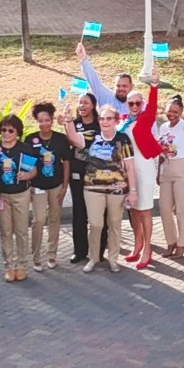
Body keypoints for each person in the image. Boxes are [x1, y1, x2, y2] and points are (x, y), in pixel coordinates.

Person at [69, 103, 138, 272]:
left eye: (109, 118)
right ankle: (93, 258)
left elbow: (130, 166)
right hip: (93, 189)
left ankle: (113, 259)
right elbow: (73, 138)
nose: (104, 122)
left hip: (117, 189)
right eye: (101, 118)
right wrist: (68, 120)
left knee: (114, 224)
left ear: (116, 121)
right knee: (95, 224)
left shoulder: (123, 139)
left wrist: (133, 191)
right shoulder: (92, 136)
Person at [119, 83, 163, 269]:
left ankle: (147, 249)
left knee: (144, 209)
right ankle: (137, 245)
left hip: (143, 168)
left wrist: (154, 86)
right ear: (127, 105)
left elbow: (152, 107)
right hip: (128, 170)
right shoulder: (122, 121)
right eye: (131, 104)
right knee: (134, 209)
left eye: (138, 103)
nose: (135, 107)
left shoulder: (145, 119)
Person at [25, 102, 71, 270]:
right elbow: (27, 165)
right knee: (38, 220)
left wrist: (65, 186)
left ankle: (52, 254)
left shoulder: (60, 139)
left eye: (47, 120)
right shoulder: (30, 139)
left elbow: (66, 162)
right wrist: (28, 185)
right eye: (41, 120)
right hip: (37, 187)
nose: (44, 124)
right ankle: (36, 256)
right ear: (37, 121)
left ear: (52, 120)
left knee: (55, 219)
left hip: (56, 186)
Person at [0, 114, 35, 281]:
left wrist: (27, 175)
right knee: (5, 232)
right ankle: (9, 266)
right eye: (3, 129)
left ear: (17, 132)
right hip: (1, 196)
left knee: (21, 231)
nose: (6, 133)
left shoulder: (25, 148)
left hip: (20, 195)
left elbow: (34, 171)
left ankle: (21, 265)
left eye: (10, 130)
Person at [155, 95, 184, 259]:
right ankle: (170, 241)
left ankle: (182, 244)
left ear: (180, 113)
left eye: (175, 111)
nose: (171, 114)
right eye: (169, 111)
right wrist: (159, 172)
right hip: (167, 167)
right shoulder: (163, 127)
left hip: (182, 169)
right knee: (165, 208)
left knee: (182, 210)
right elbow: (161, 150)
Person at [66, 92, 99, 265]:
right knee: (79, 213)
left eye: (85, 102)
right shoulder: (74, 124)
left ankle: (98, 250)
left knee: (97, 213)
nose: (82, 106)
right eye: (80, 103)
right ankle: (79, 251)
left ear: (93, 105)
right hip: (77, 174)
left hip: (96, 175)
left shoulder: (100, 124)